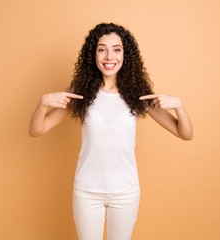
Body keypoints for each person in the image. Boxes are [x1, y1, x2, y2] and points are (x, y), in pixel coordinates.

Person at [28, 23, 193, 240]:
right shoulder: (80, 94)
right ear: (93, 54)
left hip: (125, 191)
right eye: (102, 49)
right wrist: (42, 104)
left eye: (116, 49)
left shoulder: (139, 96)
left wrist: (179, 106)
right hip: (87, 191)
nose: (109, 56)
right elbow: (36, 130)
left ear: (125, 55)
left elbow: (185, 133)